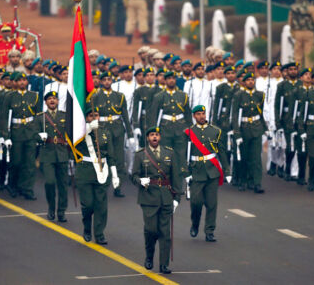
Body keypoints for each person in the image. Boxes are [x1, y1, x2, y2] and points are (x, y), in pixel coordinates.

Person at [132, 126, 182, 274]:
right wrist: (140, 180)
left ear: (160, 137)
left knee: (165, 233)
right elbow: (133, 175)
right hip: (148, 197)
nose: (154, 137)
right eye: (152, 135)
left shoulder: (169, 153)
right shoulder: (141, 155)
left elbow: (176, 177)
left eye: (157, 135)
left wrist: (177, 198)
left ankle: (164, 264)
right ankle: (149, 257)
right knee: (151, 230)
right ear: (147, 138)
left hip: (166, 197)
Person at [185, 105, 231, 242]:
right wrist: (186, 173)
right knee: (196, 202)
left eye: (203, 113)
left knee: (212, 204)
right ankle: (195, 224)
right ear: (194, 116)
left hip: (212, 171)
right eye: (198, 114)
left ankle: (209, 231)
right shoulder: (188, 132)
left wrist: (227, 170)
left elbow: (221, 152)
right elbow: (183, 155)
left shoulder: (215, 131)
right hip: (196, 171)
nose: (202, 116)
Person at [75, 107, 119, 245]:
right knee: (88, 205)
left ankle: (99, 234)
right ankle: (87, 228)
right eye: (90, 116)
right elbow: (72, 144)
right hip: (85, 172)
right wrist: (87, 129)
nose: (94, 118)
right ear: (86, 118)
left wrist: (115, 175)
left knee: (101, 205)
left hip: (102, 171)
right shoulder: (79, 133)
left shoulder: (105, 132)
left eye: (97, 115)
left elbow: (111, 155)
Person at [92, 72, 134, 197]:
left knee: (119, 159)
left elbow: (125, 116)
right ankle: (102, 185)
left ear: (112, 81)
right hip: (102, 129)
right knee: (103, 158)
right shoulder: (95, 97)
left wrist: (130, 134)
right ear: (100, 81)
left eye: (109, 79)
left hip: (118, 130)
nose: (106, 82)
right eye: (104, 79)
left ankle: (118, 187)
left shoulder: (119, 96)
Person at [0, 72, 39, 200]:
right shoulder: (9, 96)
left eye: (24, 80)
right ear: (14, 82)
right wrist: (4, 136)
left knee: (29, 162)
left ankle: (27, 188)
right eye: (19, 80)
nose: (22, 82)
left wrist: (38, 132)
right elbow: (3, 117)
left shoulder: (34, 96)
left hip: (30, 132)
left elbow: (38, 116)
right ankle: (12, 185)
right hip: (15, 132)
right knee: (16, 162)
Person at [148, 71, 191, 173]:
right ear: (165, 80)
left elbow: (188, 114)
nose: (171, 80)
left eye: (173, 78)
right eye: (169, 78)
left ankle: (181, 180)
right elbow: (153, 116)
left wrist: (190, 130)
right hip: (165, 129)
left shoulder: (183, 95)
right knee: (166, 155)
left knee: (181, 155)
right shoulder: (159, 96)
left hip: (181, 128)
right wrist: (153, 133)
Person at [36, 91, 69, 222]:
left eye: (54, 98)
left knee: (63, 184)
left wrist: (71, 156)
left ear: (58, 101)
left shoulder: (65, 116)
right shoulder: (40, 117)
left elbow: (70, 136)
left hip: (62, 153)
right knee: (50, 182)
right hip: (47, 153)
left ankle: (61, 211)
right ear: (45, 102)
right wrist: (40, 137)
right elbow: (33, 134)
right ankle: (51, 207)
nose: (52, 101)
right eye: (49, 99)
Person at [232, 73, 267, 193]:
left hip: (257, 129)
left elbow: (261, 113)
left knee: (256, 158)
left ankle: (257, 183)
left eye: (253, 80)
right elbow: (235, 116)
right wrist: (236, 133)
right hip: (244, 129)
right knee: (244, 157)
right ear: (244, 82)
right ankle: (243, 181)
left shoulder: (260, 95)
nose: (251, 82)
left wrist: (265, 128)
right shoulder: (239, 95)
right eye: (248, 80)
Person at [274, 62, 301, 182]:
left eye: (295, 69)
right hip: (287, 119)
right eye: (291, 69)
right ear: (287, 71)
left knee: (299, 147)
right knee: (290, 146)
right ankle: (287, 168)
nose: (293, 71)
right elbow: (277, 105)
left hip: (300, 120)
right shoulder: (282, 85)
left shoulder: (302, 84)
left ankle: (297, 172)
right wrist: (278, 122)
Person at [288, 0, 314, 68]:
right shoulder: (310, 8)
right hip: (309, 32)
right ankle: (308, 73)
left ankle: (297, 72)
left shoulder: (293, 7)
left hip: (297, 32)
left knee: (298, 55)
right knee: (309, 54)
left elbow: (290, 22)